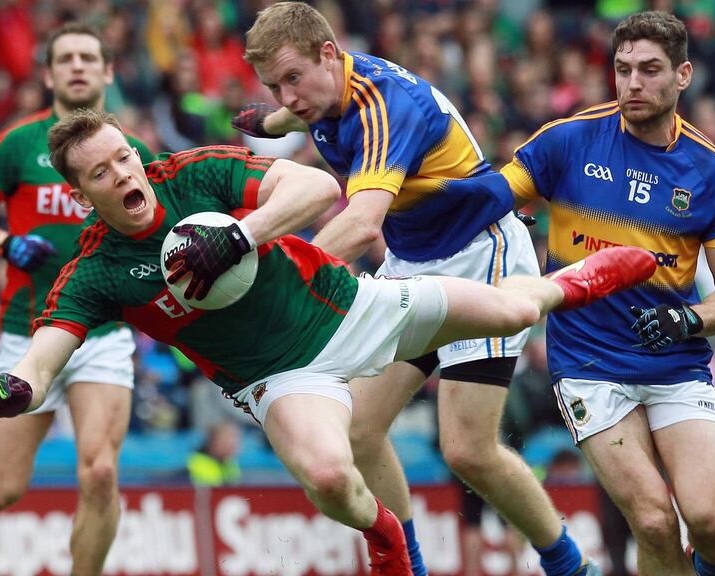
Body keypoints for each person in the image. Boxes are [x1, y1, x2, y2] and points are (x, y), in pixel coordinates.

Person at [0, 109, 656, 575]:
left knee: (511, 314)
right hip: (277, 379)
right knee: (330, 477)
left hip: (351, 308)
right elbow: (45, 351)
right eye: (102, 173)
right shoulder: (94, 272)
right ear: (81, 196)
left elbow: (316, 186)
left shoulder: (192, 175)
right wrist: (19, 387)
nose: (124, 175)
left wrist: (239, 235)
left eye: (124, 157)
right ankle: (386, 538)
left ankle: (579, 280)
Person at [232, 4, 596, 574]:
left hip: (480, 256)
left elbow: (362, 225)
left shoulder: (384, 106)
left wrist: (284, 281)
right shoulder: (320, 96)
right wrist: (272, 122)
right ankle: (409, 568)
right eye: (274, 86)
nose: (288, 96)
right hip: (413, 263)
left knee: (468, 451)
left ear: (329, 53)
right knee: (357, 429)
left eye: (292, 79)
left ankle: (570, 566)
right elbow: (299, 113)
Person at [499, 12, 715, 576]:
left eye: (650, 70)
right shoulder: (569, 139)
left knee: (714, 522)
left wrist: (688, 321)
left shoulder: (711, 172)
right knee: (654, 521)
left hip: (675, 363)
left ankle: (711, 568)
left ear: (683, 75)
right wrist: (490, 214)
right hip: (588, 364)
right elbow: (492, 195)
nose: (633, 83)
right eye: (623, 69)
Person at [0, 22, 155, 575]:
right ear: (48, 75)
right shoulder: (19, 143)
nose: (77, 66)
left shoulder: (133, 152)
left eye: (88, 57)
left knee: (100, 473)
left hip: (102, 333)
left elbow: (158, 229)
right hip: (27, 332)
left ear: (109, 71)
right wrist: (6, 244)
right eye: (65, 58)